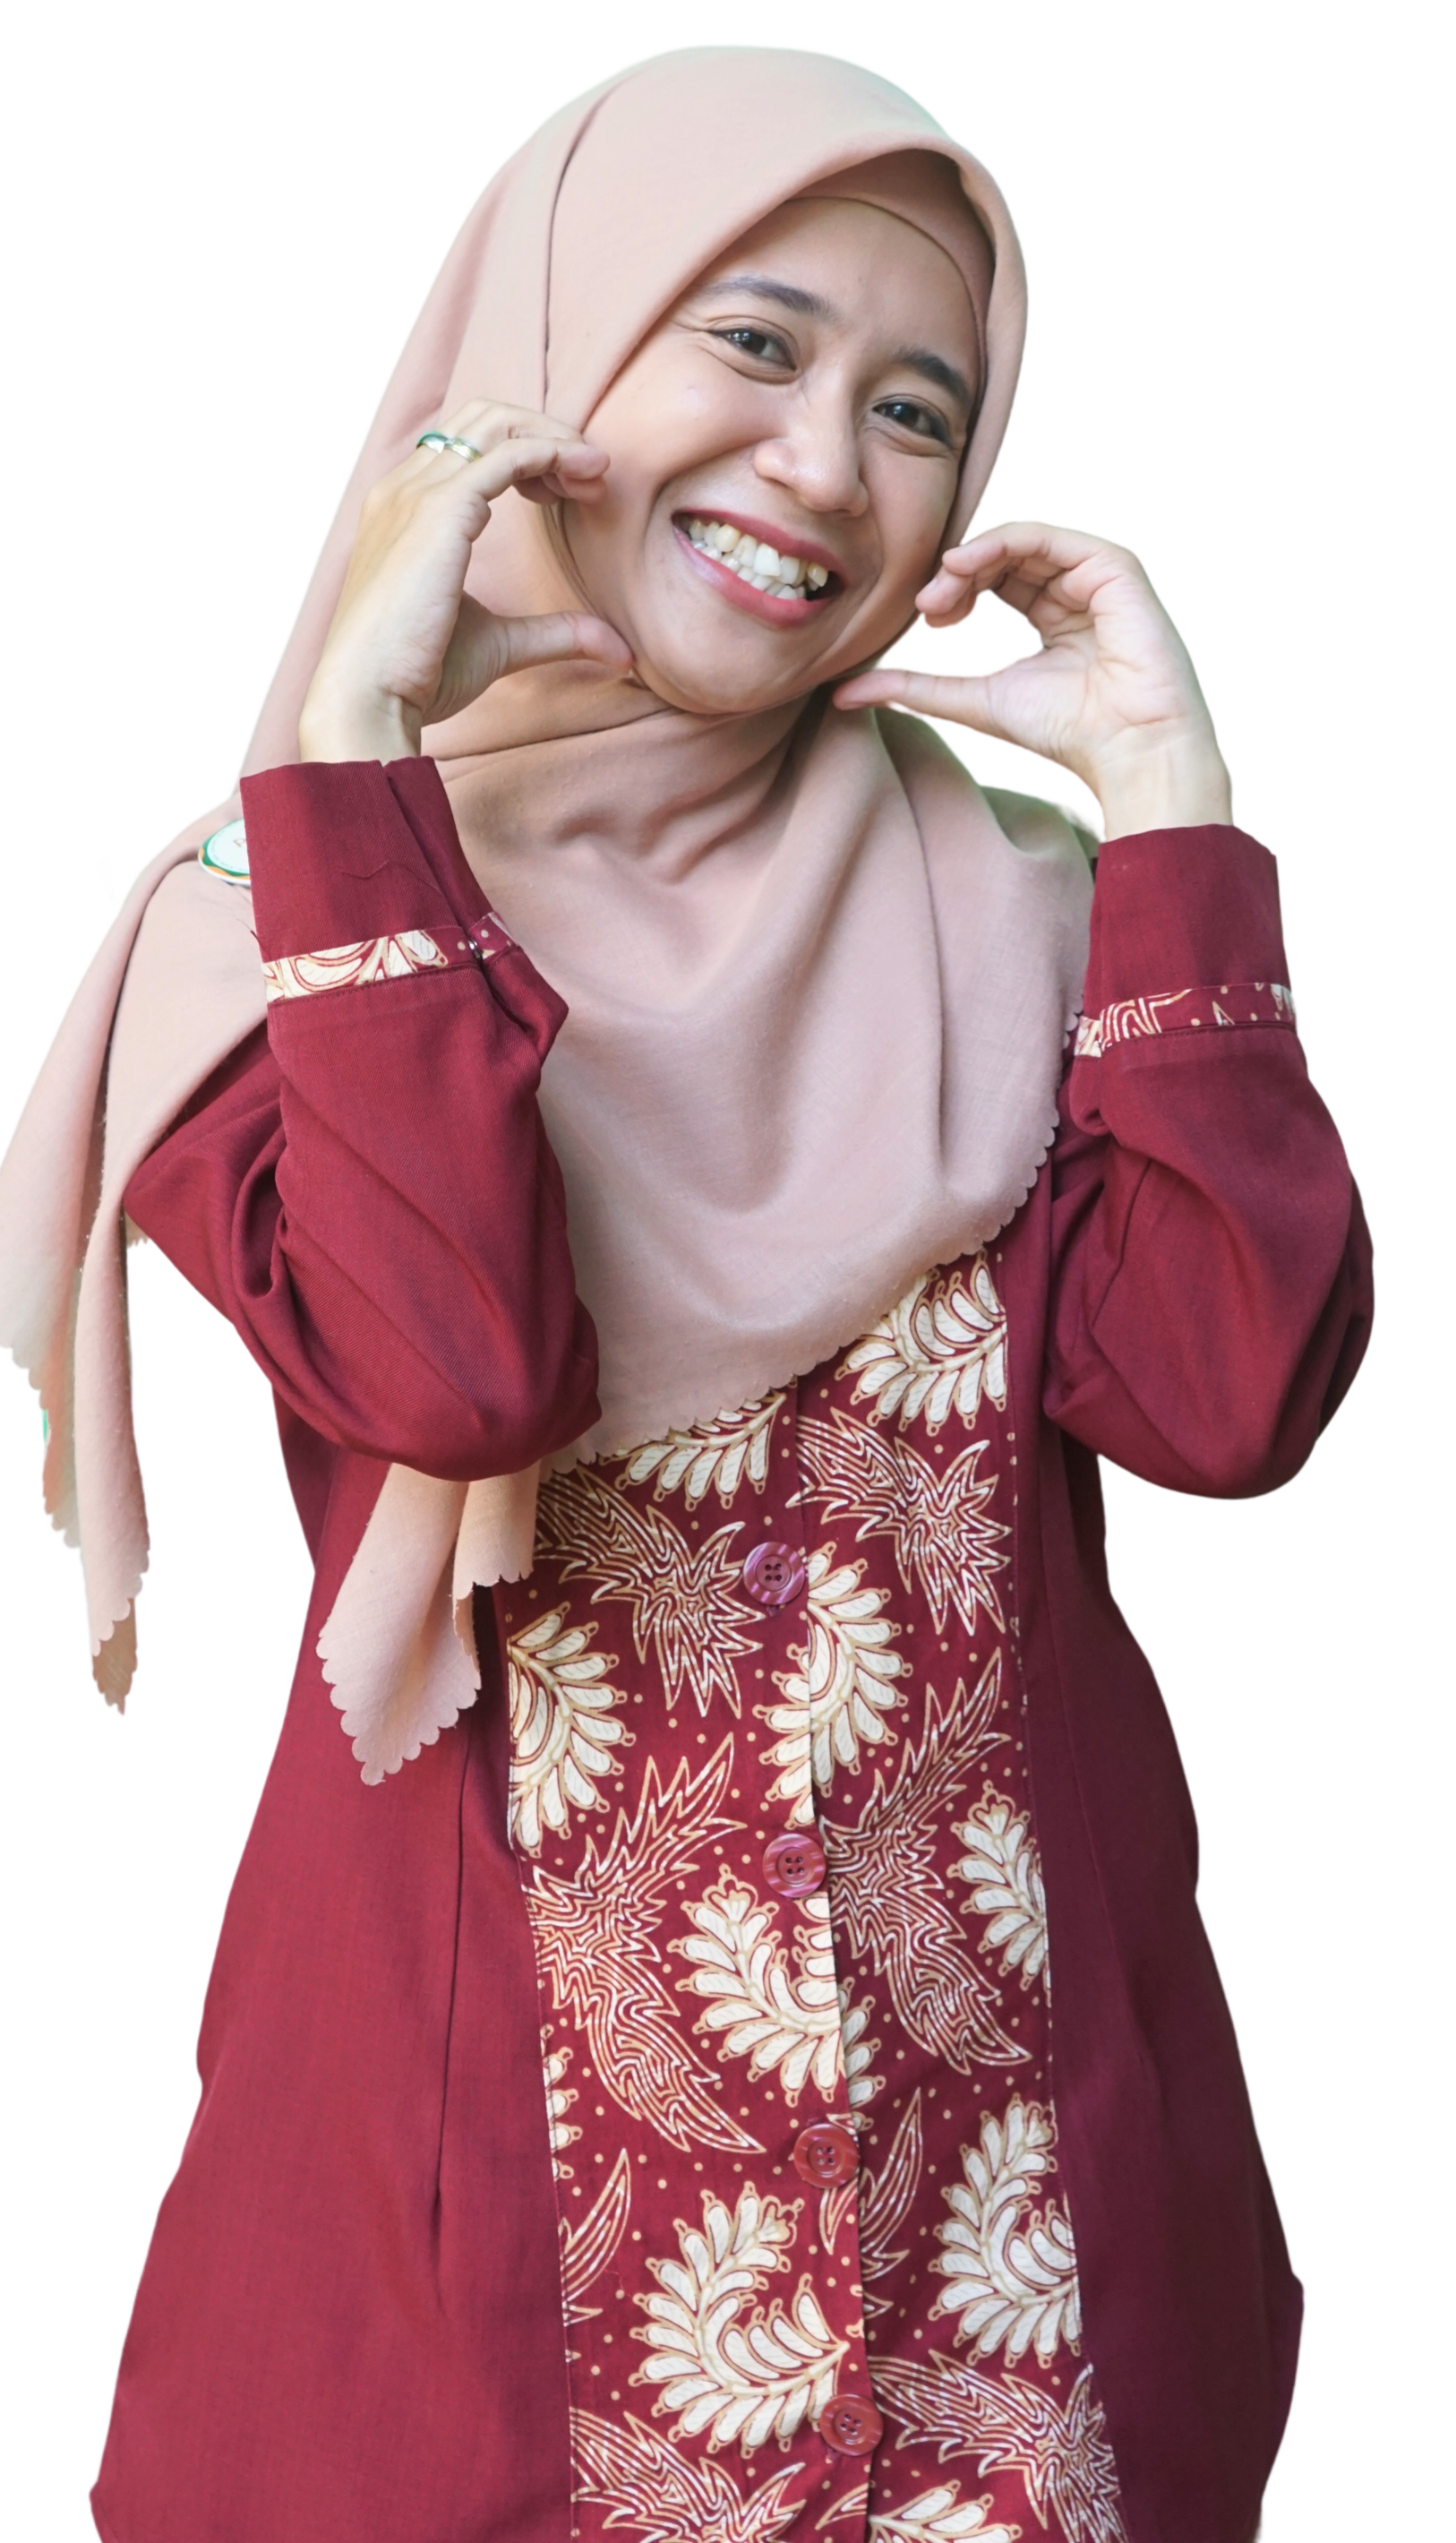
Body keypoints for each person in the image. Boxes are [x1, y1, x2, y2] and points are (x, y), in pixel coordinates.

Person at [0, 46, 1372, 2543]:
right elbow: (459, 1370)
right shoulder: (268, 934)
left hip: (1018, 2290)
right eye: (751, 342)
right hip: (498, 2321)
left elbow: (1226, 1393)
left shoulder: (1014, 908)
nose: (827, 464)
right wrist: (351, 760)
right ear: (544, 363)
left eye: (916, 407)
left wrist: (1173, 808)